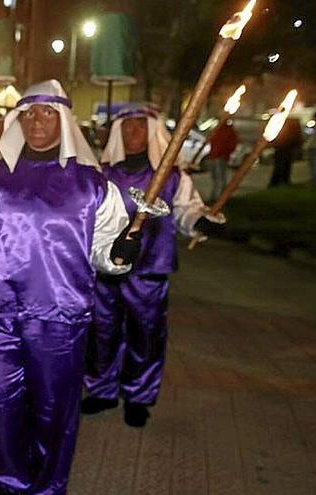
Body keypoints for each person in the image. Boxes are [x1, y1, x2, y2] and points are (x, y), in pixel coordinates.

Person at [0, 80, 141, 495]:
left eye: (47, 113)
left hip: (62, 318)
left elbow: (104, 252)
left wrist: (120, 252)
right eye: (29, 113)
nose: (37, 121)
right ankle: (10, 482)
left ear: (64, 121)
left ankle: (47, 486)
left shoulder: (93, 185)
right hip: (0, 316)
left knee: (54, 410)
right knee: (2, 404)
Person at [81, 106, 225, 427]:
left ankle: (138, 395)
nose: (132, 132)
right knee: (101, 331)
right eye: (126, 126)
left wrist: (200, 221)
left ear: (152, 131)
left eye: (139, 126)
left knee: (145, 334)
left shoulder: (171, 176)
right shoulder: (101, 175)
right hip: (105, 270)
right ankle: (101, 390)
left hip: (149, 270)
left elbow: (187, 209)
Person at [201, 113, 238, 201]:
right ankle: (217, 198)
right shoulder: (227, 131)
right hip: (219, 157)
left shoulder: (217, 130)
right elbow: (231, 144)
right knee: (220, 179)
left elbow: (211, 141)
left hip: (215, 156)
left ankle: (217, 198)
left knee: (218, 179)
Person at [269, 117, 303, 187]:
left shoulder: (282, 126)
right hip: (287, 148)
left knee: (280, 165)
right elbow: (298, 138)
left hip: (282, 148)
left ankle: (276, 182)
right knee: (286, 165)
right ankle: (284, 180)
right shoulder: (294, 127)